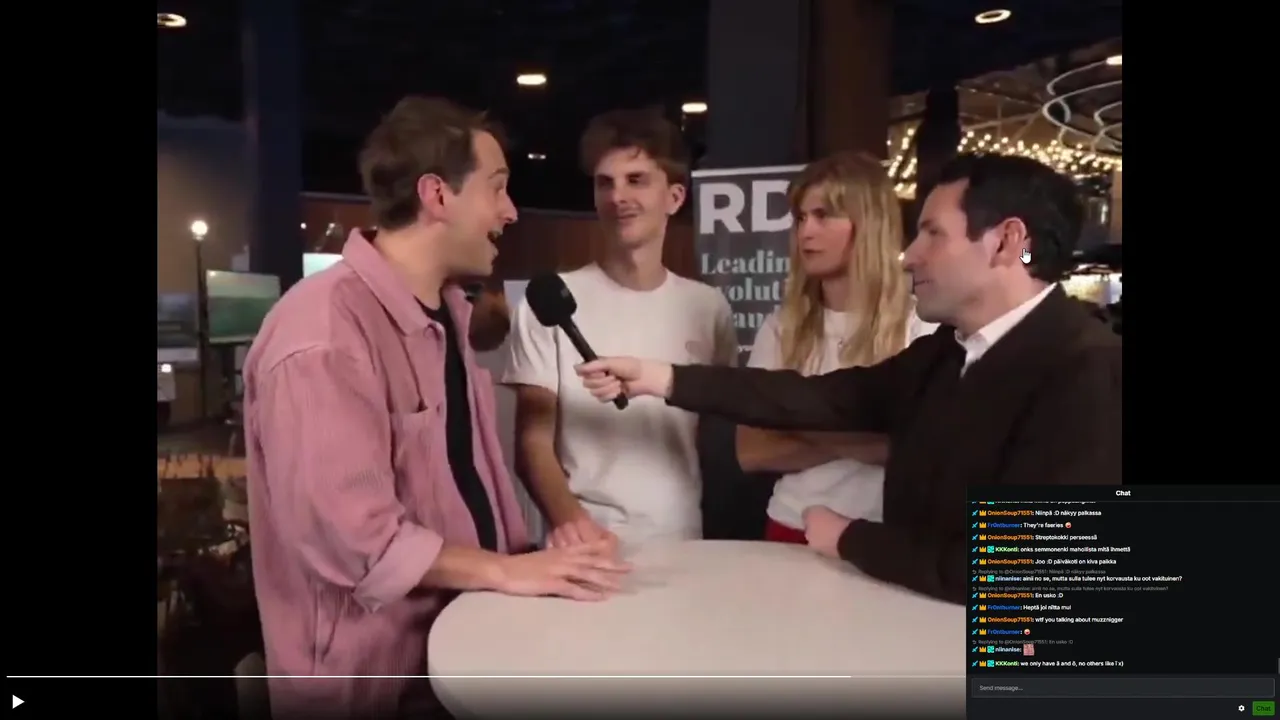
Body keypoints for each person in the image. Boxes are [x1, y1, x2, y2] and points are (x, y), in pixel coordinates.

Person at [576, 153, 1122, 605]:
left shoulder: (1089, 370)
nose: (909, 256)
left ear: (1007, 242)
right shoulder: (946, 352)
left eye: (932, 234)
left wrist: (847, 536)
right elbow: (820, 397)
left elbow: (1023, 574)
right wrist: (661, 377)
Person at [243, 96, 629, 719]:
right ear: (437, 195)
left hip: (458, 648)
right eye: (497, 187)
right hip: (372, 685)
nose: (510, 211)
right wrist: (504, 573)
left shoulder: (447, 310)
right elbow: (355, 541)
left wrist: (527, 566)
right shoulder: (322, 334)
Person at [502, 108, 736, 550]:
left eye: (636, 180)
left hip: (684, 541)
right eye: (604, 183)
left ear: (675, 197)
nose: (617, 196)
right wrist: (575, 526)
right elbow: (532, 442)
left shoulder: (708, 308)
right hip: (583, 548)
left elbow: (717, 439)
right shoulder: (549, 301)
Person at [738, 152, 937, 544]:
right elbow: (752, 452)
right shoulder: (780, 328)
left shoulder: (921, 326)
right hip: (791, 527)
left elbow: (919, 449)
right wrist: (865, 437)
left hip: (884, 534)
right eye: (800, 218)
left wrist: (797, 425)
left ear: (868, 224)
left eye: (823, 215)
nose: (806, 232)